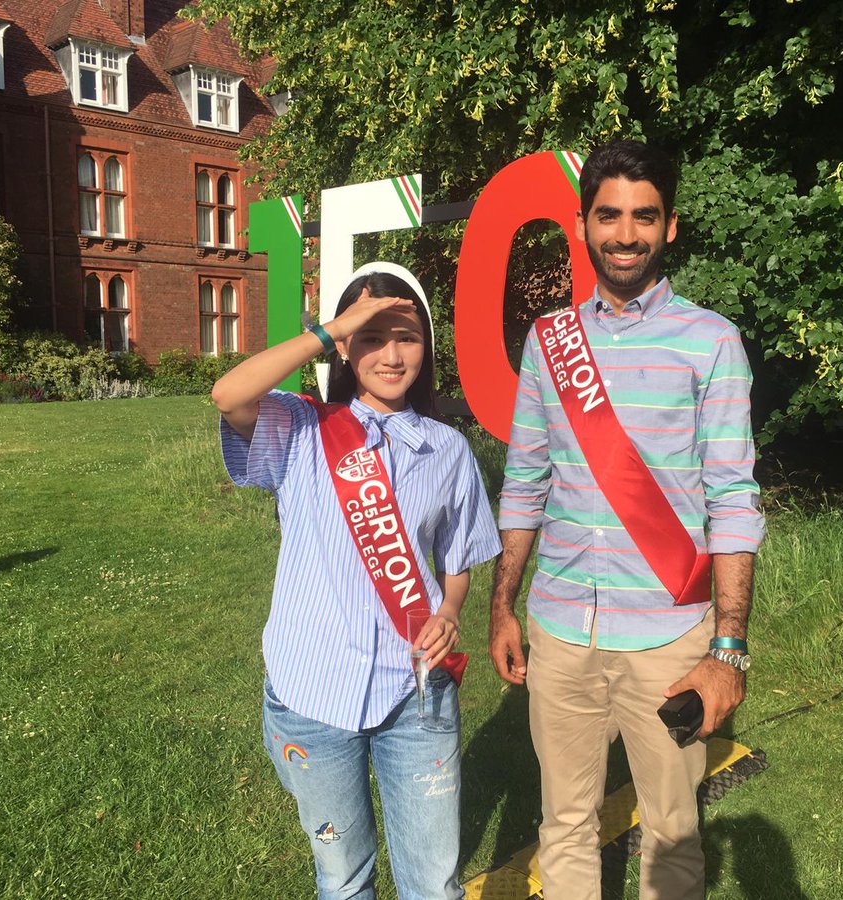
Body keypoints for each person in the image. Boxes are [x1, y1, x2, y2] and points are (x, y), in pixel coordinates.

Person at [488, 140, 765, 900]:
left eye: (644, 216)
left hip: (668, 638)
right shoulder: (550, 343)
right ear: (583, 224)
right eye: (608, 215)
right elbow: (525, 484)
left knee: (673, 838)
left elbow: (733, 502)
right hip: (560, 630)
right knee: (566, 825)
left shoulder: (711, 342)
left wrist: (728, 651)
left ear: (669, 226)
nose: (625, 233)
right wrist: (504, 603)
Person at [213, 264, 501, 900]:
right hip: (315, 693)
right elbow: (228, 395)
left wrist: (450, 609)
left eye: (408, 337)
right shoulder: (302, 429)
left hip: (416, 693)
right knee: (343, 878)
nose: (392, 355)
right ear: (346, 348)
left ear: (427, 348)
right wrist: (330, 328)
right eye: (372, 337)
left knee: (435, 880)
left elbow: (458, 558)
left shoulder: (447, 448)